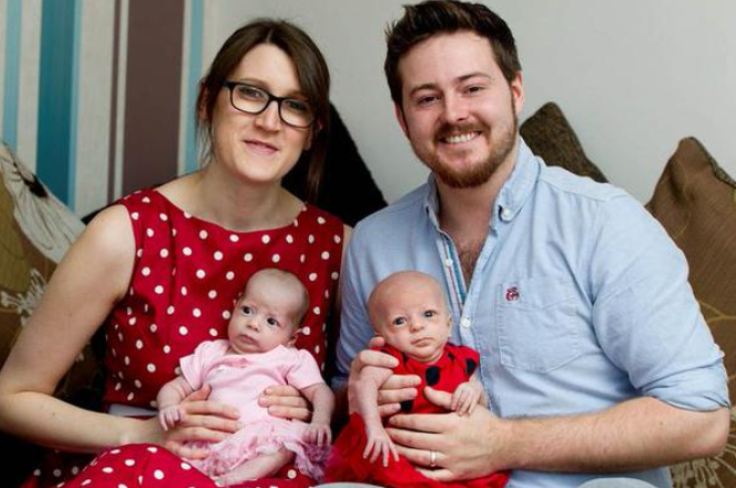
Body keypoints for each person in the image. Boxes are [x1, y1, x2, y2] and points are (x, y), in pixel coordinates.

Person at [334, 2, 730, 488]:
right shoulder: (373, 242)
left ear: (515, 91)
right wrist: (358, 392)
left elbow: (702, 416)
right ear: (402, 118)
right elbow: (345, 394)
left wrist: (502, 443)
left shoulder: (606, 222)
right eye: (426, 98)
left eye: (473, 88)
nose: (454, 113)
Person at [0, 18, 348, 488]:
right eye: (250, 93)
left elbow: (371, 382)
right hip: (140, 471)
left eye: (295, 106)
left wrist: (318, 406)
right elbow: (12, 396)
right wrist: (139, 432)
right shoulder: (126, 232)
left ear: (312, 131)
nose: (270, 121)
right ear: (207, 100)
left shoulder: (338, 246)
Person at [325, 271, 508, 488]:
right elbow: (364, 385)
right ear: (380, 333)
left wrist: (472, 390)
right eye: (400, 321)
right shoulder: (390, 360)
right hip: (399, 449)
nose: (417, 326)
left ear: (448, 324)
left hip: (453, 451)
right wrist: (374, 428)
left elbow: (480, 398)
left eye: (428, 314)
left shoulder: (460, 360)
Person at [157, 268, 334, 486]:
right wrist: (168, 406)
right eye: (248, 310)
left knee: (284, 445)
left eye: (271, 321)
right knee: (173, 460)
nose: (254, 323)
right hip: (211, 442)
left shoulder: (289, 358)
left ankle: (234, 478)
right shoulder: (211, 352)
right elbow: (176, 387)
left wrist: (320, 420)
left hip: (261, 438)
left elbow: (320, 391)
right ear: (234, 308)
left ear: (291, 338)